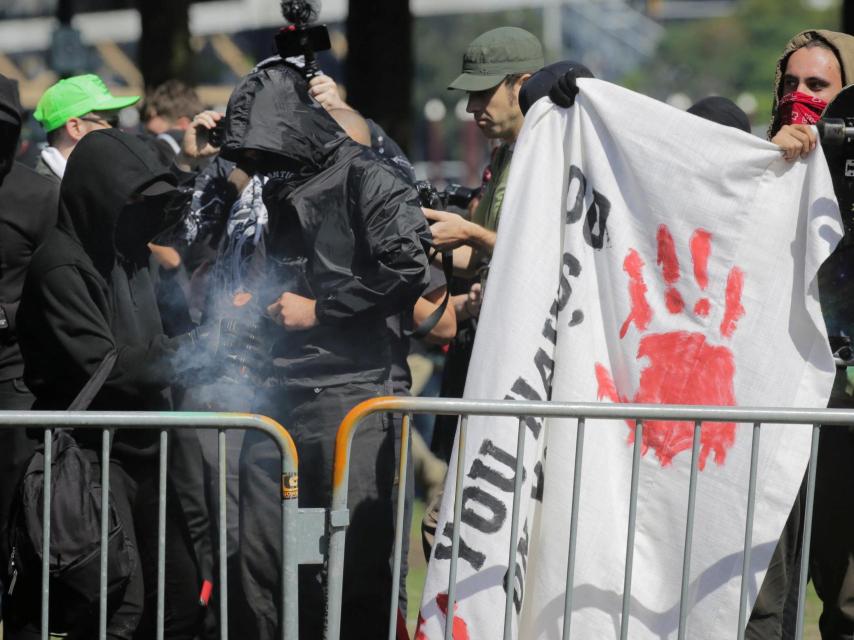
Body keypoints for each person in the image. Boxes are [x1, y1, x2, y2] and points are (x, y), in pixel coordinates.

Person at [206, 60, 431, 640]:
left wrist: (320, 311)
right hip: (281, 398)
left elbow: (407, 267)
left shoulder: (370, 177)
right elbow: (284, 276)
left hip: (356, 398)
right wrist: (255, 311)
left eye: (264, 151)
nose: (260, 167)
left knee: (357, 568)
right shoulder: (281, 186)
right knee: (262, 561)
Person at [10, 129, 213, 639]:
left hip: (148, 452)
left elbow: (159, 339)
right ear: (97, 194)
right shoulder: (60, 265)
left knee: (177, 600)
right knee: (116, 604)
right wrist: (192, 351)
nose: (142, 215)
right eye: (133, 201)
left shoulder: (131, 257)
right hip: (93, 455)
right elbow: (106, 366)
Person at [748, 29, 854, 640]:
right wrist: (770, 170)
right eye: (790, 84)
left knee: (845, 600)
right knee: (763, 602)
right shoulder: (757, 167)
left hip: (845, 418)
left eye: (818, 86)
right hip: (774, 414)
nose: (800, 98)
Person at [0, 72, 59, 619]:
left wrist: (8, 316)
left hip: (15, 381)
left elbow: (61, 286)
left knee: (16, 512)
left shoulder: (38, 196)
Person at [32, 74, 139, 182]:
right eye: (113, 122)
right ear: (75, 128)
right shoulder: (43, 195)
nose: (120, 131)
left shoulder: (94, 180)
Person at [139, 79, 203, 164]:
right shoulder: (211, 157)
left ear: (183, 124)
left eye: (150, 116)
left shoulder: (160, 148)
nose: (145, 125)